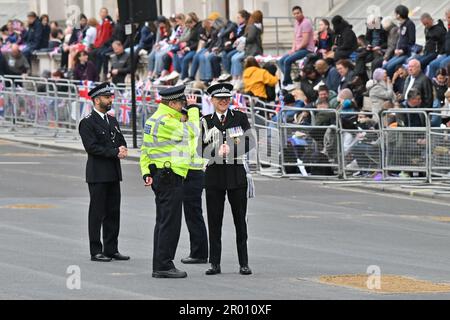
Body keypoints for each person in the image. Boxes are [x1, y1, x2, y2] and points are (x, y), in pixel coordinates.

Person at [140, 85, 200, 279]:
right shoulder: (167, 122)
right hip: (170, 176)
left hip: (160, 174)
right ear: (172, 103)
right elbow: (193, 131)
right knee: (170, 223)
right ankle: (163, 265)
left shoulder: (153, 119)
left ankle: (161, 262)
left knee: (163, 221)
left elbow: (145, 150)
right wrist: (193, 109)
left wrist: (145, 171)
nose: (182, 107)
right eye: (181, 103)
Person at [201, 82, 255, 276]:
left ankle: (244, 262)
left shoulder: (239, 117)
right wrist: (216, 151)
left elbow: (250, 141)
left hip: (236, 174)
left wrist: (231, 150)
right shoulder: (205, 120)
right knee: (215, 222)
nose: (223, 102)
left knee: (240, 221)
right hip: (214, 175)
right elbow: (200, 148)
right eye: (219, 99)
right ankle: (214, 263)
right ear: (212, 100)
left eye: (226, 99)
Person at [78, 82, 130, 262]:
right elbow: (92, 147)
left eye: (111, 97)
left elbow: (120, 139)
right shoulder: (87, 122)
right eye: (107, 97)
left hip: (113, 172)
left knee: (113, 212)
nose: (110, 100)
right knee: (97, 212)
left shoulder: (112, 120)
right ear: (97, 99)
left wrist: (123, 148)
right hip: (98, 173)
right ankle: (96, 250)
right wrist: (114, 152)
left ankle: (111, 248)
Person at [278, 6, 315, 90]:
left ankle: (286, 83)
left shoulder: (306, 23)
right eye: (294, 14)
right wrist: (293, 49)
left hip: (306, 49)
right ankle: (289, 82)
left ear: (302, 13)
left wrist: (296, 49)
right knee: (280, 61)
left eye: (298, 13)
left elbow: (305, 42)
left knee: (287, 61)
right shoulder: (296, 23)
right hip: (298, 49)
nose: (296, 15)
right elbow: (295, 38)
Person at [384, 5, 416, 77]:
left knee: (389, 67)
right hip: (399, 53)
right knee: (385, 66)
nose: (394, 15)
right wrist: (397, 49)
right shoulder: (402, 25)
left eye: (395, 13)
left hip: (406, 54)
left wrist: (402, 50)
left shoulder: (410, 24)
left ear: (399, 14)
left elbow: (412, 42)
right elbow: (400, 40)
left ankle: (391, 84)